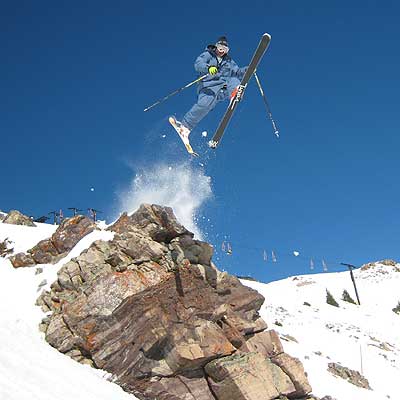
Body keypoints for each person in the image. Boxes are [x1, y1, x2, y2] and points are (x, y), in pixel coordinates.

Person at [171, 36, 247, 142]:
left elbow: (237, 72)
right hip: (208, 86)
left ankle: (235, 93)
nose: (222, 51)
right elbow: (198, 64)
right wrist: (208, 68)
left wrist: (247, 70)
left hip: (223, 88)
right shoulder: (208, 55)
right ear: (216, 46)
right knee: (204, 106)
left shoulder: (229, 61)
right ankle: (184, 127)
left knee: (233, 79)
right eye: (220, 48)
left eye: (225, 49)